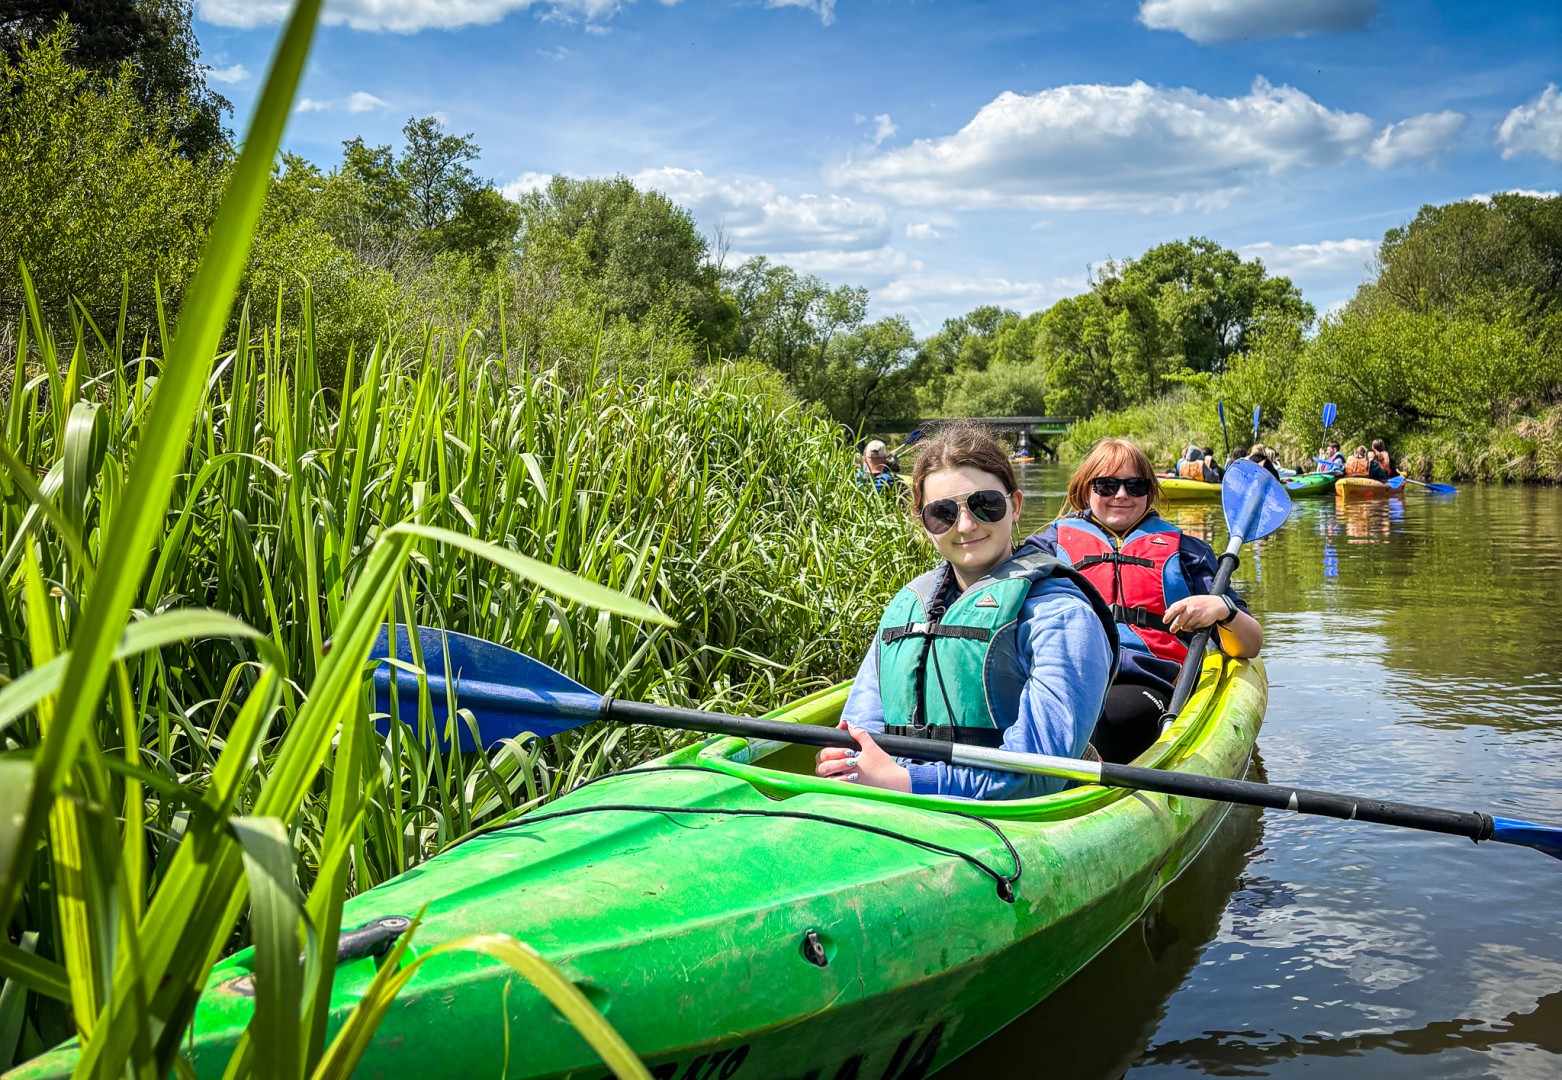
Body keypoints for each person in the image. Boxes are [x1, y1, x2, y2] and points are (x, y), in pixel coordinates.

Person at [815, 425, 1117, 799]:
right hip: (891, 800)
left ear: (1016, 506)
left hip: (1008, 818)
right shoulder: (906, 605)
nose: (966, 525)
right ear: (925, 525)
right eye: (942, 513)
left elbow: (1040, 773)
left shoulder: (1062, 616)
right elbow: (861, 732)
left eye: (985, 503)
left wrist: (911, 783)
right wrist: (849, 766)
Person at [1022, 437, 1264, 763]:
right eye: (1106, 485)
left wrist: (1222, 609)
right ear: (1085, 489)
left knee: (1111, 721)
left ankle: (1081, 777)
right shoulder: (1046, 547)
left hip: (1145, 685)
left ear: (1148, 492)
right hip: (1062, 677)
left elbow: (1249, 645)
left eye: (1134, 486)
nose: (1121, 495)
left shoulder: (1187, 552)